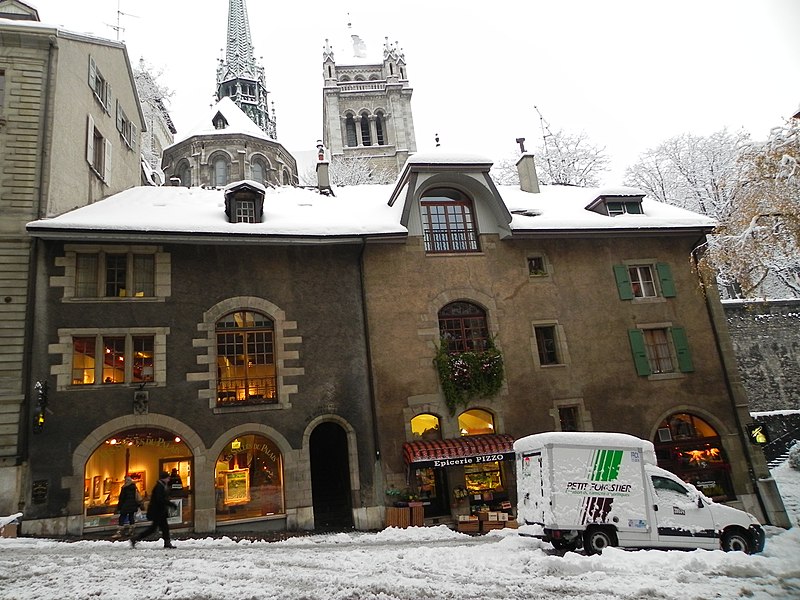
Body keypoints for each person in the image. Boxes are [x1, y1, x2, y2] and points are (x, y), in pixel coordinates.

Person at [130, 471, 177, 549]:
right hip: (157, 511)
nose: (169, 479)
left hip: (160, 511)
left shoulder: (162, 485)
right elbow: (160, 499)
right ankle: (135, 538)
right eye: (168, 478)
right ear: (164, 478)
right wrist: (170, 504)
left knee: (164, 527)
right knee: (153, 528)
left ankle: (167, 542)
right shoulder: (159, 486)